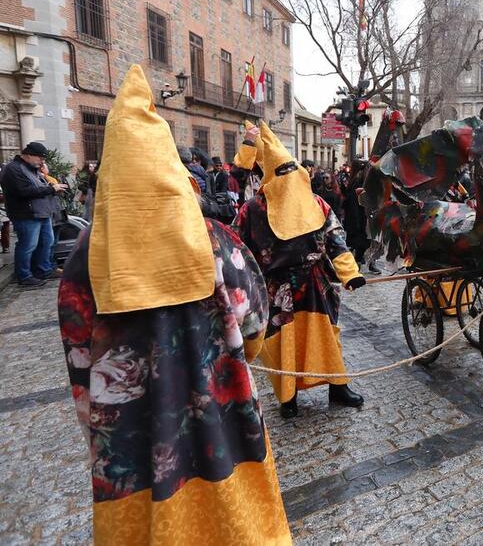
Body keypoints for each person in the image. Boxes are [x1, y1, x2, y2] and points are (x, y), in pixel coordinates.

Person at [57, 65, 290, 545]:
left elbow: (79, 357)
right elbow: (255, 322)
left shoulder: (82, 257)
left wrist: (99, 423)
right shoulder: (215, 241)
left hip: (130, 436)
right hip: (222, 412)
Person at [235, 123, 367, 419]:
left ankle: (338, 386)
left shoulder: (317, 203)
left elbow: (336, 239)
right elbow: (238, 252)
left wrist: (350, 273)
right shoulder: (252, 210)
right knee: (283, 342)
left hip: (315, 285)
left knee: (326, 337)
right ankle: (287, 395)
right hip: (277, 289)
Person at [0, 141, 68, 287]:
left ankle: (44, 270)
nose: (42, 161)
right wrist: (51, 189)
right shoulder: (13, 169)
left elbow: (41, 186)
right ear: (28, 155)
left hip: (42, 213)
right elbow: (24, 191)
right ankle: (24, 276)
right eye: (40, 158)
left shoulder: (32, 169)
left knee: (47, 242)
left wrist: (51, 184)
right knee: (28, 245)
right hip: (26, 214)